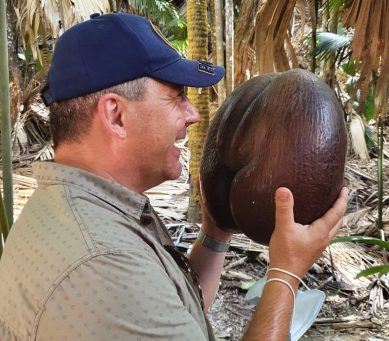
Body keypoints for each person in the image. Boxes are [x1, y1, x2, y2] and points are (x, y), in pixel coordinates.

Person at [0, 12, 348, 341]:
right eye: (177, 97)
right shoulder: (102, 261)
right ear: (116, 115)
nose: (193, 114)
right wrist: (286, 274)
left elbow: (171, 311)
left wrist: (215, 232)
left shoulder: (78, 209)